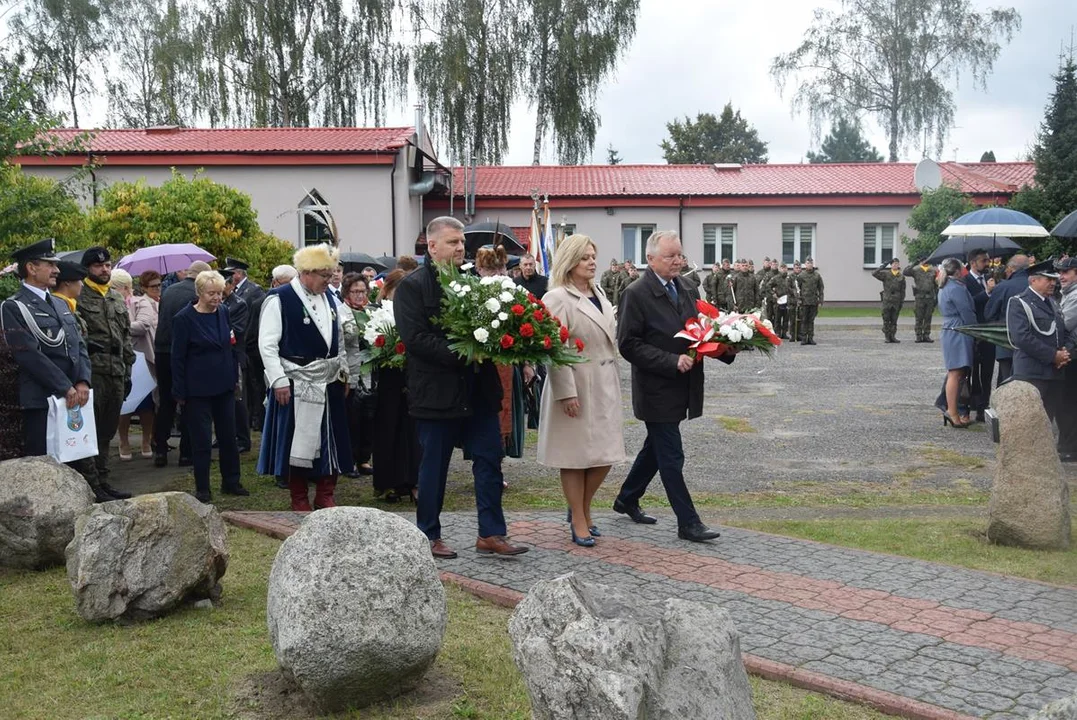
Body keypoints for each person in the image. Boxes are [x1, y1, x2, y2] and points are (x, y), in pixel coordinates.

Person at [395, 216, 529, 559]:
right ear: (432, 245)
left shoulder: (473, 282)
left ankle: (491, 533)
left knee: (489, 460)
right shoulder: (412, 288)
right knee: (434, 467)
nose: (461, 248)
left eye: (462, 242)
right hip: (436, 393)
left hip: (478, 391)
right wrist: (467, 352)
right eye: (453, 242)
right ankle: (428, 534)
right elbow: (417, 340)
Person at [612, 230, 732, 543]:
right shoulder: (635, 293)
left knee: (656, 449)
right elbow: (628, 344)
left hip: (685, 385)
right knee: (671, 454)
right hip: (656, 388)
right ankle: (688, 523)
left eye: (679, 255)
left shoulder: (689, 287)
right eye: (670, 256)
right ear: (650, 259)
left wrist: (729, 343)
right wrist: (670, 360)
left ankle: (627, 498)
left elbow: (700, 331)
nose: (678, 261)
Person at [0, 240, 117, 502]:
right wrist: (64, 386)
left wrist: (83, 381)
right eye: (50, 265)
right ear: (31, 267)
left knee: (74, 468)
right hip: (43, 400)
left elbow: (79, 346)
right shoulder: (14, 307)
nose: (56, 270)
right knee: (44, 473)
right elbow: (28, 354)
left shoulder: (61, 304)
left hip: (73, 398)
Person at [537, 234, 625, 547]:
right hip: (576, 385)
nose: (592, 262)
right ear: (570, 261)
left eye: (593, 256)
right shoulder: (558, 298)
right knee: (574, 456)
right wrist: (565, 392)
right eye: (585, 257)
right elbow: (554, 348)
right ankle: (578, 517)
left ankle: (582, 508)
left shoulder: (598, 291)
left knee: (605, 454)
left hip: (603, 384)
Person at [258, 244, 353, 511]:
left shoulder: (331, 300)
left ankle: (326, 493)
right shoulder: (279, 298)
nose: (330, 280)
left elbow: (340, 339)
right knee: (295, 442)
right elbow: (267, 345)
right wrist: (278, 380)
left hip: (329, 381)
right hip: (296, 383)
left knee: (332, 439)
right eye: (325, 275)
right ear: (307, 272)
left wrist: (344, 373)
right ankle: (298, 497)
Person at [171, 271, 247, 503]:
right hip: (197, 389)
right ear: (199, 293)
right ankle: (202, 487)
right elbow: (177, 357)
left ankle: (231, 481)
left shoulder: (223, 312)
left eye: (220, 293)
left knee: (228, 437)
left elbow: (230, 346)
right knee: (202, 440)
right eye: (211, 294)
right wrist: (180, 391)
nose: (216, 298)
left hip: (224, 384)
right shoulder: (184, 318)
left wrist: (234, 378)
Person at [79, 246, 135, 490]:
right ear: (87, 269)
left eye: (108, 265)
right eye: (98, 266)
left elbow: (125, 338)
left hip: (117, 372)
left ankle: (103, 478)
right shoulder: (79, 296)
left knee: (107, 431)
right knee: (89, 430)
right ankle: (90, 483)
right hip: (93, 373)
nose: (104, 269)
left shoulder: (115, 297)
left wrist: (128, 372)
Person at [153, 260, 212, 467]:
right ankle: (186, 453)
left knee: (166, 402)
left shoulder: (168, 291)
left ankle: (159, 448)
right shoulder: (196, 296)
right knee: (188, 402)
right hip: (185, 353)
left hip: (161, 350)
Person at [369, 269, 419, 502]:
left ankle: (410, 480)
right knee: (388, 430)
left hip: (412, 376)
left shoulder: (412, 310)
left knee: (411, 432)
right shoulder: (376, 312)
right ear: (388, 290)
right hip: (388, 378)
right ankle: (387, 482)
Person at [1006, 260, 1070, 424]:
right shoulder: (1019, 302)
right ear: (1033, 280)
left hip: (1053, 372)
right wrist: (1053, 355)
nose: (1053, 283)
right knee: (1029, 423)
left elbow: (1061, 331)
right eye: (1047, 279)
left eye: (1053, 279)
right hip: (1032, 372)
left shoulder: (1053, 302)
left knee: (1047, 422)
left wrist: (1064, 353)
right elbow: (1022, 338)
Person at [116, 269, 161, 459]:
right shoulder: (110, 304)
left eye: (114, 288)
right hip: (122, 359)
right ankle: (123, 441)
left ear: (125, 288)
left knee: (146, 404)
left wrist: (119, 324)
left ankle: (146, 440)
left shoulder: (140, 302)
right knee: (124, 404)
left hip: (143, 359)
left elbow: (143, 325)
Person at [224, 257, 267, 432]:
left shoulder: (254, 290)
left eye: (231, 272)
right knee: (246, 387)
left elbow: (252, 319)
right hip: (241, 346)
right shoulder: (231, 292)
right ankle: (248, 419)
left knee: (253, 386)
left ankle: (255, 418)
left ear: (238, 273)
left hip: (249, 344)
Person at [341, 272, 375, 480]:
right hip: (350, 372)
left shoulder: (371, 311)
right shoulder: (341, 312)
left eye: (362, 291)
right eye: (355, 291)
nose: (359, 296)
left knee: (368, 418)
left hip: (369, 372)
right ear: (347, 292)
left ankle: (364, 457)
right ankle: (348, 461)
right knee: (350, 419)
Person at [936, 258, 977, 428]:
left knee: (958, 372)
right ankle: (952, 411)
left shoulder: (946, 285)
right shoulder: (956, 288)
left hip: (952, 329)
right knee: (956, 372)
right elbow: (966, 311)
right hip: (958, 329)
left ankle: (952, 411)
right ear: (958, 271)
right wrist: (975, 329)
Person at [985, 254, 1030, 385]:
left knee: (1006, 380)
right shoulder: (1035, 285)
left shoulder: (1003, 287)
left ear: (1011, 268)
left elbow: (989, 314)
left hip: (1005, 340)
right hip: (1030, 343)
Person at [222, 270, 251, 452]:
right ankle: (225, 434)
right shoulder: (221, 303)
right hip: (222, 357)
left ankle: (243, 439)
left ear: (231, 285)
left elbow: (238, 330)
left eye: (223, 284)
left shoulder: (238, 304)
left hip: (235, 355)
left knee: (239, 400)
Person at [965, 249, 995, 421]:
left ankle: (984, 404)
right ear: (973, 262)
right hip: (975, 330)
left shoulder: (989, 278)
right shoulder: (965, 281)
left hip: (989, 331)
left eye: (987, 260)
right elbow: (970, 302)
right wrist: (987, 292)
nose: (987, 263)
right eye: (983, 261)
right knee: (973, 371)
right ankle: (973, 403)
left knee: (988, 370)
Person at [1054, 257, 1077, 461]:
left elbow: (1065, 323)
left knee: (1067, 401)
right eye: (1060, 272)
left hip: (1073, 353)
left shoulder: (1076, 295)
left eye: (1067, 272)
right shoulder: (1067, 293)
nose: (1061, 276)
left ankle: (1069, 447)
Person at [872, 258, 907, 343]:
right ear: (891, 265)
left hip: (896, 301)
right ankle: (887, 337)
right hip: (887, 300)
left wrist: (901, 302)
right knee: (886, 319)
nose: (895, 265)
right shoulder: (886, 274)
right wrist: (883, 266)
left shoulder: (901, 276)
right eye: (894, 264)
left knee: (894, 320)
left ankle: (893, 336)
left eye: (897, 264)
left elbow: (903, 291)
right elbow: (874, 273)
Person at [903, 258, 938, 342]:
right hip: (920, 297)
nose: (925, 262)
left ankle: (926, 335)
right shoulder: (916, 270)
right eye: (923, 261)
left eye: (926, 261)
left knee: (928, 317)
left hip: (929, 297)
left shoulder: (933, 271)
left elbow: (935, 284)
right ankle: (918, 335)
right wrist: (914, 263)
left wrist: (936, 297)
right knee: (919, 317)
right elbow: (905, 272)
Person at [798, 258, 824, 344]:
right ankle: (804, 338)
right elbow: (798, 288)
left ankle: (810, 337)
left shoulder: (817, 275)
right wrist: (799, 299)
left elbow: (820, 288)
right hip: (804, 301)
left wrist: (821, 299)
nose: (810, 264)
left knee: (811, 320)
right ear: (805, 264)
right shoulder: (801, 275)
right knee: (804, 320)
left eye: (811, 263)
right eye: (808, 263)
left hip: (813, 301)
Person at [769, 263, 793, 339]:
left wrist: (792, 294)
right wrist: (773, 293)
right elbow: (768, 286)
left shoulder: (790, 278)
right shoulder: (775, 278)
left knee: (786, 318)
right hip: (778, 301)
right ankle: (777, 333)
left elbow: (794, 287)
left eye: (785, 267)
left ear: (787, 269)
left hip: (787, 301)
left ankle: (784, 333)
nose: (783, 269)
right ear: (779, 269)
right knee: (777, 318)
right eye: (782, 268)